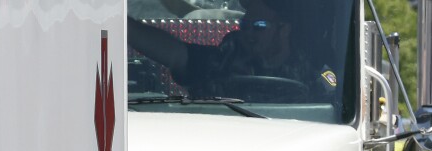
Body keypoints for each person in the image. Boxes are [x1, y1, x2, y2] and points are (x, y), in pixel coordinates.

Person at [127, 0, 337, 102]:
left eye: (259, 26)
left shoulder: (314, 73)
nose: (248, 33)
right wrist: (118, 22)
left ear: (284, 29)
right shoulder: (226, 58)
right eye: (244, 25)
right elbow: (175, 55)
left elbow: (327, 122)